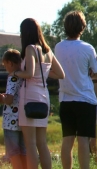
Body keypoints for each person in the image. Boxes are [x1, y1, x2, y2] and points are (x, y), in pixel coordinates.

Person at [17, 18, 64, 169]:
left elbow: (29, 73)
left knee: (30, 143)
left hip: (29, 95)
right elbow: (61, 74)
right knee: (42, 143)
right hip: (43, 96)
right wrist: (44, 73)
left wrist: (16, 73)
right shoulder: (47, 50)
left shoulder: (30, 48)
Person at [53, 12, 97, 169]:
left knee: (68, 139)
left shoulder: (58, 47)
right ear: (82, 27)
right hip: (85, 99)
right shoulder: (88, 48)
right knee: (83, 139)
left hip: (66, 99)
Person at [2, 49, 27, 169]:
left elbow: (9, 99)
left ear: (10, 63)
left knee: (13, 152)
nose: (5, 68)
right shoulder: (24, 76)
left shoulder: (12, 77)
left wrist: (2, 98)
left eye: (5, 65)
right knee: (24, 151)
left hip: (10, 121)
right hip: (23, 119)